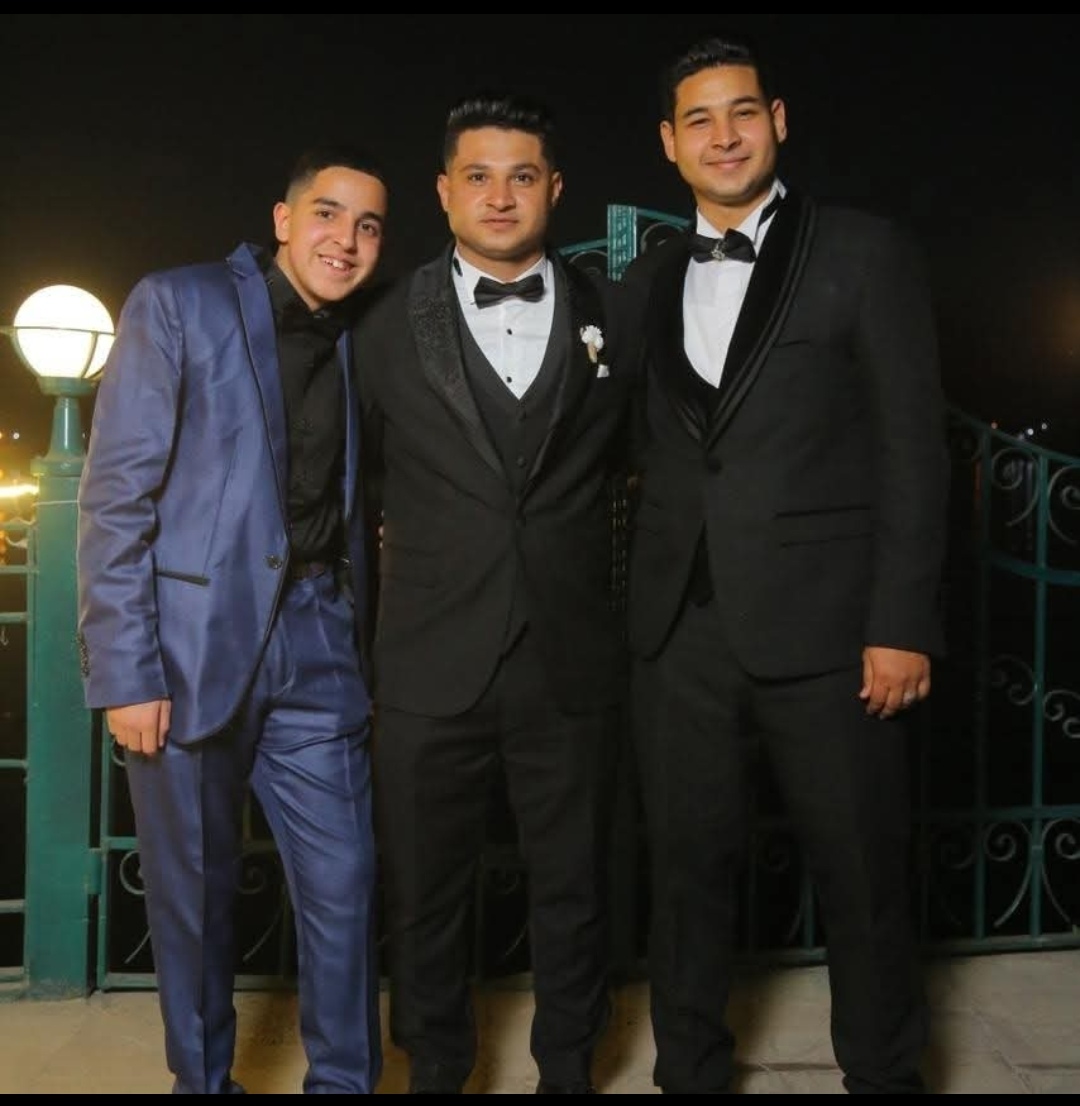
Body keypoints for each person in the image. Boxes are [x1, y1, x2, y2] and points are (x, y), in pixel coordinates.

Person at [621, 30, 949, 1095]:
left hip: (833, 633)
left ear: (778, 121)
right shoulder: (646, 277)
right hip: (680, 633)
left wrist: (900, 621)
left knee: (862, 878)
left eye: (743, 112)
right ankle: (690, 1075)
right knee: (685, 881)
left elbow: (913, 448)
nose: (724, 136)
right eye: (699, 119)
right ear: (670, 143)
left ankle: (885, 1077)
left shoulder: (864, 251)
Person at [75, 145, 389, 1094]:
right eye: (328, 214)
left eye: (369, 226)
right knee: (194, 902)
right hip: (187, 650)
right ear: (284, 220)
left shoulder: (364, 332)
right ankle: (204, 1084)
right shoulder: (180, 302)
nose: (346, 240)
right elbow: (116, 497)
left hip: (321, 639)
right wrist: (125, 671)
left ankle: (344, 1085)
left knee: (347, 887)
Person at [354, 91, 633, 1095]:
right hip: (427, 660)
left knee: (576, 887)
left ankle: (569, 1067)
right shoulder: (380, 323)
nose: (500, 196)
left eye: (522, 176)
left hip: (571, 655)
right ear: (444, 191)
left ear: (555, 188)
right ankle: (436, 1069)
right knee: (424, 896)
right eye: (478, 176)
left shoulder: (617, 314)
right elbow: (351, 486)